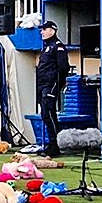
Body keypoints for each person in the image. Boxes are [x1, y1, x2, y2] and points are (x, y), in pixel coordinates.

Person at [35, 21, 71, 157]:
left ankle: (55, 144)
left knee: (49, 113)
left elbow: (63, 68)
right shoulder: (46, 47)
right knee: (46, 115)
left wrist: (58, 84)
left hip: (50, 85)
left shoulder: (58, 47)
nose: (42, 32)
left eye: (44, 29)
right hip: (43, 85)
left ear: (53, 31)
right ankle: (52, 144)